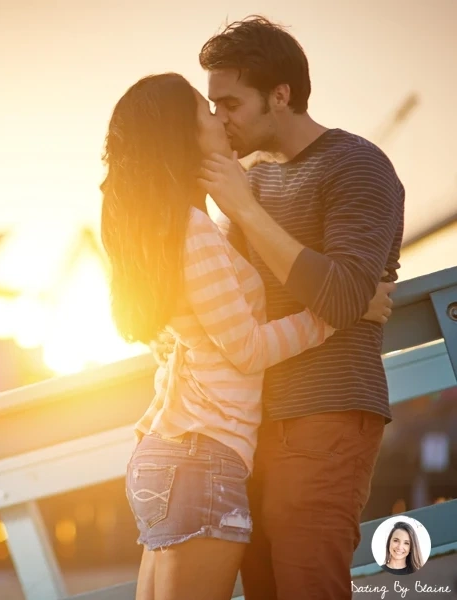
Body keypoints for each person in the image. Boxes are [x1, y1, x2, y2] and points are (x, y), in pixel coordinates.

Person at [100, 73, 391, 600]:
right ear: (183, 137)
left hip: (172, 450)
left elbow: (191, 326)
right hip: (201, 456)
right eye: (206, 109)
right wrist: (341, 312)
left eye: (225, 104)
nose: (219, 117)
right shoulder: (193, 230)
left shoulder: (171, 227)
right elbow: (247, 348)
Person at [194, 16, 405, 599]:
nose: (219, 118)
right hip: (252, 424)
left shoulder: (357, 166)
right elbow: (228, 304)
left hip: (326, 414)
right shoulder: (253, 181)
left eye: (230, 103)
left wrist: (241, 206)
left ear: (280, 95)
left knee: (309, 587)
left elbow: (340, 295)